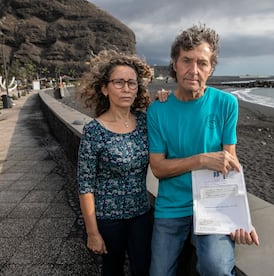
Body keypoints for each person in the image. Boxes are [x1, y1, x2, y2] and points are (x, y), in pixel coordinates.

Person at [147, 24, 260, 276]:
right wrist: (201, 159)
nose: (193, 70)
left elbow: (230, 161)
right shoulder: (157, 110)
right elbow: (158, 169)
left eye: (202, 63)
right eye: (186, 61)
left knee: (216, 269)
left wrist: (240, 217)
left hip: (214, 205)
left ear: (211, 68)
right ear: (174, 64)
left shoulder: (226, 103)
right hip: (171, 207)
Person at [76, 49, 154, 276]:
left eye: (132, 83)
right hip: (107, 219)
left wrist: (163, 100)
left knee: (144, 269)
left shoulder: (144, 121)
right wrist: (92, 233)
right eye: (119, 82)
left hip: (140, 213)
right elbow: (85, 184)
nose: (126, 88)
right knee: (112, 271)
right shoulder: (94, 130)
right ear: (104, 88)